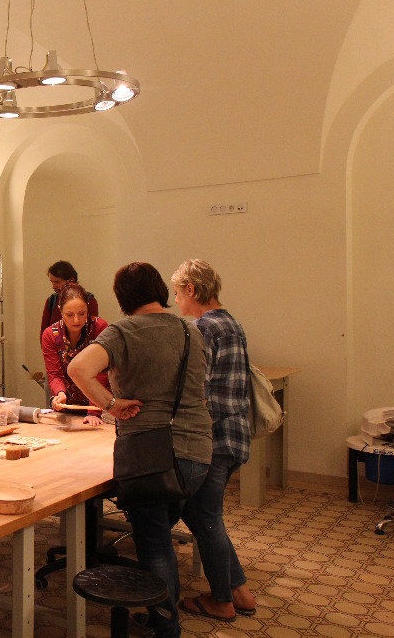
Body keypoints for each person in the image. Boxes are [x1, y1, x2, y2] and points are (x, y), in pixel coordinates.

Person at [68, 262, 213, 638]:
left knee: (155, 545)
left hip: (151, 456)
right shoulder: (191, 330)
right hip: (197, 453)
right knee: (161, 533)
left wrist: (110, 404)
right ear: (160, 290)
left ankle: (166, 627)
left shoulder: (123, 332)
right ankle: (163, 614)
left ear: (123, 298)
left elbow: (78, 368)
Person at [171, 259, 257, 620]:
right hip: (236, 433)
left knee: (205, 516)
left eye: (178, 293)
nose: (176, 300)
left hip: (214, 437)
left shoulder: (202, 328)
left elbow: (199, 390)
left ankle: (223, 600)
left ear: (191, 289)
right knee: (199, 513)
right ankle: (238, 590)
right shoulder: (231, 322)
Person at [41, 282, 109, 426]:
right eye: (69, 315)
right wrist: (60, 394)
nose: (76, 320)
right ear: (60, 310)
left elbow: (102, 373)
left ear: (88, 308)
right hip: (68, 408)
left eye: (82, 313)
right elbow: (54, 375)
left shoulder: (99, 328)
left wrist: (94, 411)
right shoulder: (50, 335)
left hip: (99, 406)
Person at [40, 260, 100, 342]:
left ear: (71, 280)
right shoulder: (51, 301)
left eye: (57, 282)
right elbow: (44, 333)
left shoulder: (90, 301)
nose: (53, 286)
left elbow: (92, 331)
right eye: (52, 282)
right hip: (56, 348)